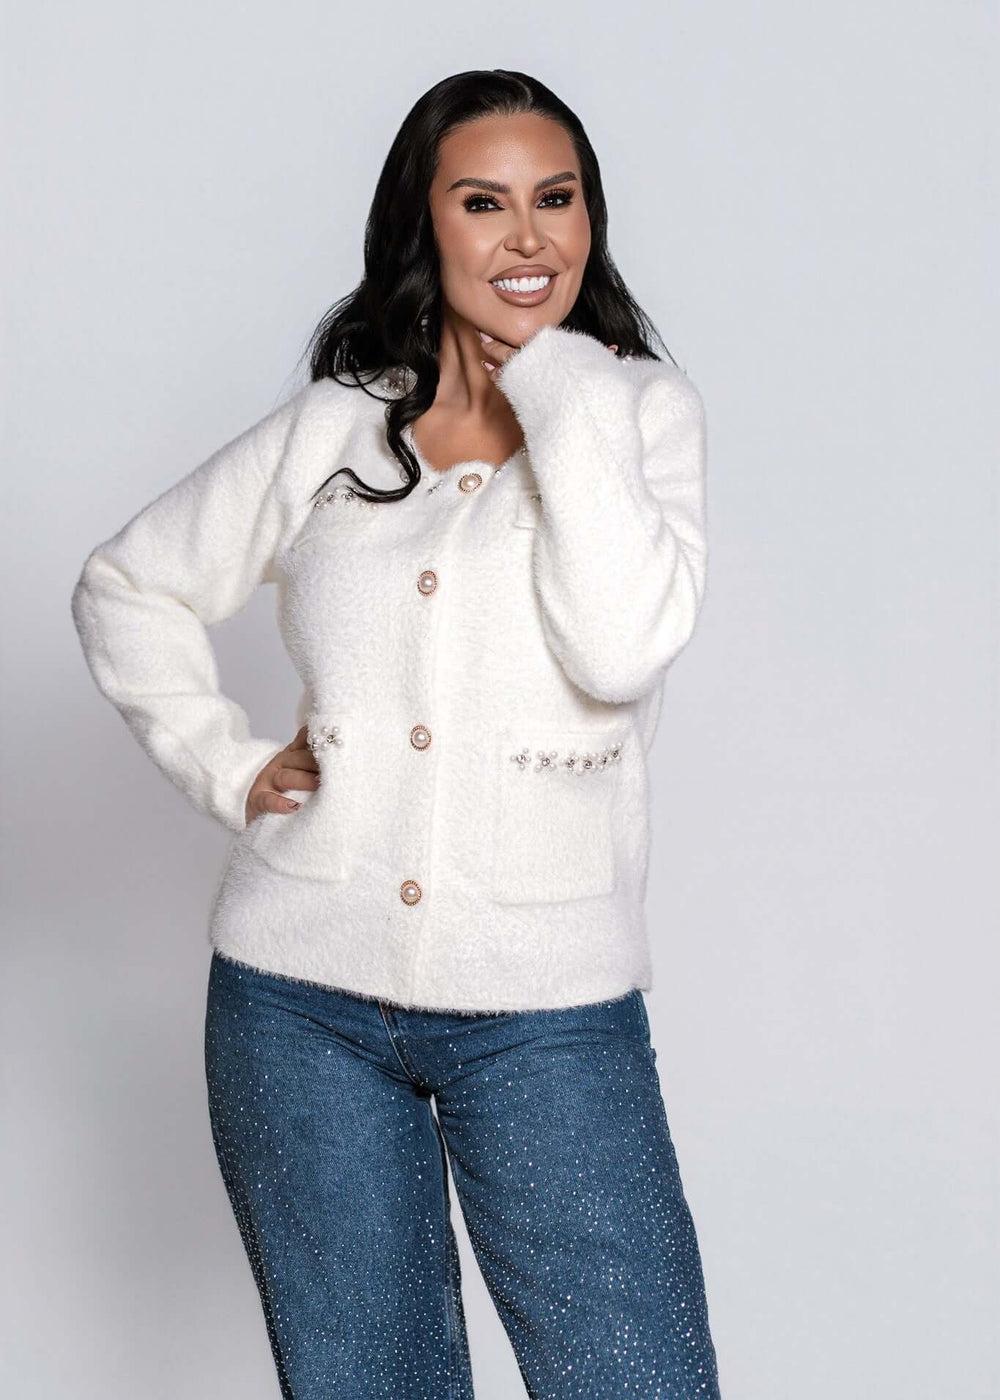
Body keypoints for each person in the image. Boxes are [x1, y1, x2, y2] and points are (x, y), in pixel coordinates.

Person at [71, 68, 722, 1400]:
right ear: (425, 224)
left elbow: (621, 646)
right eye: (483, 203)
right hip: (296, 1001)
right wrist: (231, 765)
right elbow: (128, 585)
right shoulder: (338, 423)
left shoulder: (634, 414)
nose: (527, 236)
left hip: (545, 1011)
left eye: (556, 199)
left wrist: (561, 385)